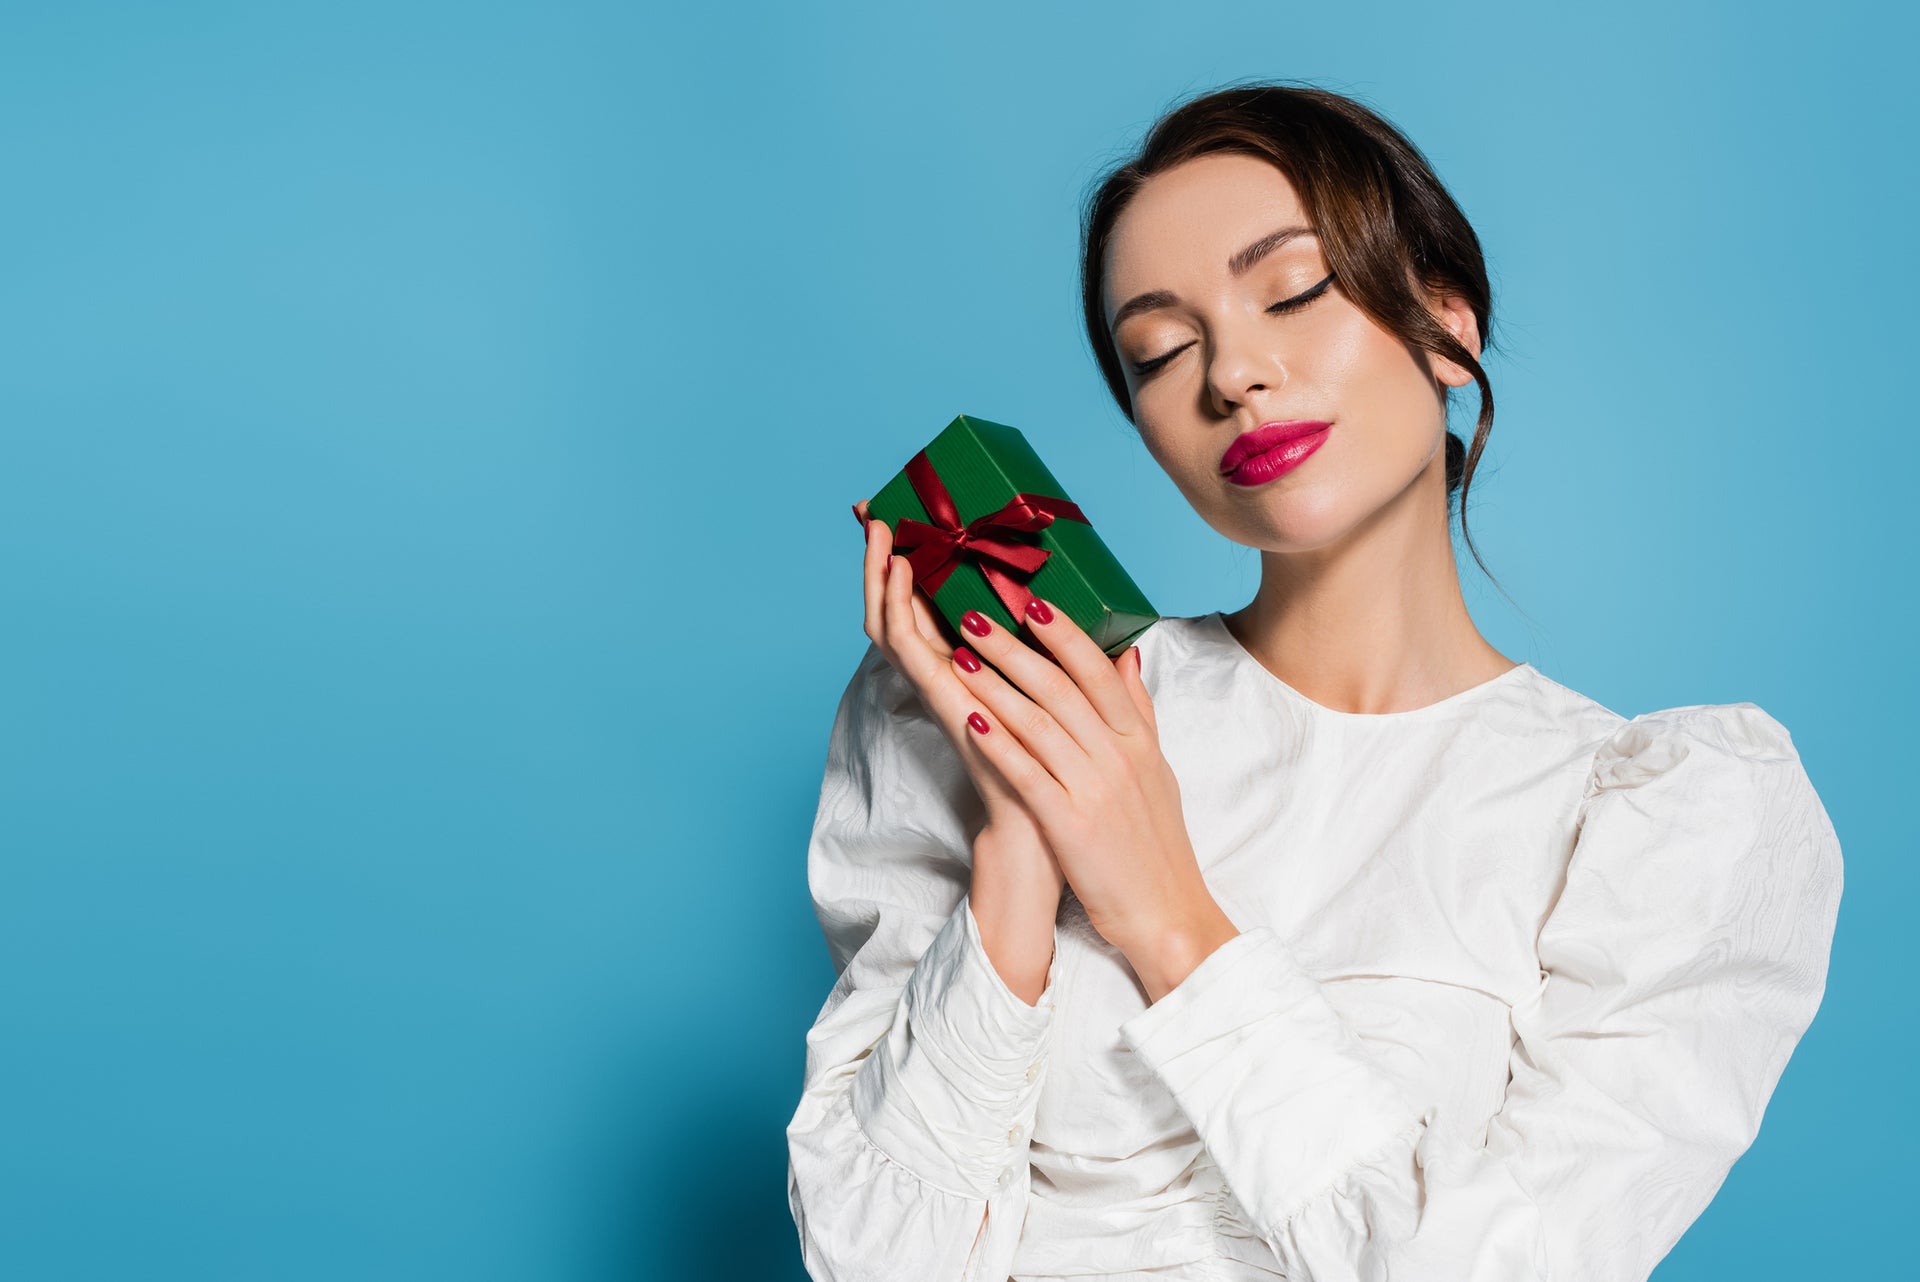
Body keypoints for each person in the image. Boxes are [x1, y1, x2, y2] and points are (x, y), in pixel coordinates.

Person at [784, 81, 1844, 1282]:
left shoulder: (1666, 821)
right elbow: (876, 1262)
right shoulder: (1010, 708)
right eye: (1160, 351)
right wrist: (1020, 845)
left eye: (1291, 291)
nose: (1233, 371)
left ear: (1449, 326)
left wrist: (1167, 910)